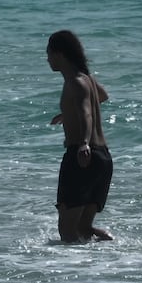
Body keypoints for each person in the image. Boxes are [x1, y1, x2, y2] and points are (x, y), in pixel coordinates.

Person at [46, 30, 114, 243]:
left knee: (67, 230)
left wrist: (83, 142)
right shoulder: (88, 80)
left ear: (60, 54)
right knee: (83, 228)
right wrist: (68, 113)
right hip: (102, 158)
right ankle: (113, 253)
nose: (47, 59)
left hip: (82, 157)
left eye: (48, 54)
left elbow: (86, 112)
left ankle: (73, 273)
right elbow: (102, 96)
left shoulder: (75, 81)